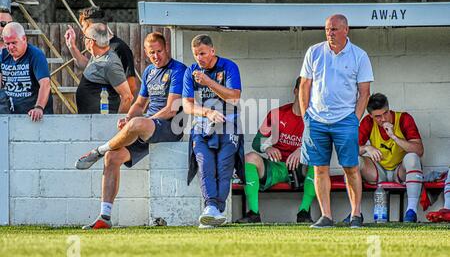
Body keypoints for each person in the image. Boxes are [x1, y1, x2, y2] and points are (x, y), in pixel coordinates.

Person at [74, 32, 187, 229]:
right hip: (148, 127)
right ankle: (104, 217)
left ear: (166, 48)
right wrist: (128, 117)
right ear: (145, 52)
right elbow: (139, 104)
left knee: (135, 126)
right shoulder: (149, 72)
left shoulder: (178, 70)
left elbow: (170, 109)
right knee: (113, 158)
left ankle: (99, 150)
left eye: (159, 51)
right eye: (151, 52)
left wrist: (137, 122)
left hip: (171, 127)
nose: (156, 56)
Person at [299, 14, 373, 228]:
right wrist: (307, 117)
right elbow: (305, 85)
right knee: (319, 169)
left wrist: (355, 120)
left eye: (334, 29)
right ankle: (326, 216)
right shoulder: (314, 52)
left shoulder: (359, 55)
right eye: (327, 29)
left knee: (350, 168)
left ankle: (356, 215)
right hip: (316, 120)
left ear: (346, 30)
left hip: (345, 120)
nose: (329, 33)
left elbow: (364, 93)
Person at [183, 34, 244, 229]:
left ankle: (217, 210)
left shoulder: (228, 67)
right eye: (195, 54)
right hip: (202, 127)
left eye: (202, 53)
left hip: (229, 125)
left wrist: (208, 82)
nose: (199, 58)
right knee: (205, 165)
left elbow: (234, 97)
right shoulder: (191, 72)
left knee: (224, 169)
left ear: (212, 51)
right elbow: (187, 105)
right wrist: (208, 112)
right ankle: (211, 208)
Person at [236, 77, 316, 224]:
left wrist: (302, 150)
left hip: (300, 168)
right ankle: (254, 213)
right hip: (276, 166)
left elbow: (321, 146)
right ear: (295, 91)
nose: (307, 95)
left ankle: (303, 212)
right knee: (250, 158)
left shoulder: (316, 117)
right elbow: (256, 142)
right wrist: (268, 147)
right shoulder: (278, 114)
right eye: (303, 90)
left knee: (319, 163)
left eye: (310, 91)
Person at [358, 93, 424, 222]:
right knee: (353, 160)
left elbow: (419, 150)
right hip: (378, 170)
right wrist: (366, 148)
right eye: (378, 116)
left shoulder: (403, 118)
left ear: (389, 108)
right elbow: (349, 150)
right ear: (371, 116)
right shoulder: (368, 122)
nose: (383, 119)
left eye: (386, 113)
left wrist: (394, 137)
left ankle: (411, 212)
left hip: (400, 171)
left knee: (412, 158)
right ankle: (356, 213)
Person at [65, 7, 138, 98]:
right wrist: (71, 46)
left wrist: (116, 109)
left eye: (83, 26)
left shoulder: (119, 48)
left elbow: (131, 86)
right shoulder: (97, 45)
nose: (82, 30)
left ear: (92, 25)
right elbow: (89, 67)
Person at [74, 22, 133, 114]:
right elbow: (87, 68)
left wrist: (117, 123)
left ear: (91, 42)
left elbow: (127, 97)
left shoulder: (110, 64)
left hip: (102, 122)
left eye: (85, 37)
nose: (83, 40)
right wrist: (71, 46)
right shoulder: (97, 56)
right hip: (91, 121)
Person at [1, 22, 52, 120]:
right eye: (7, 43)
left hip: (33, 116)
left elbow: (45, 84)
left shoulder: (36, 55)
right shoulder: (3, 55)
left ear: (24, 39)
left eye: (14, 42)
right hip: (11, 115)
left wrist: (38, 107)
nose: (10, 47)